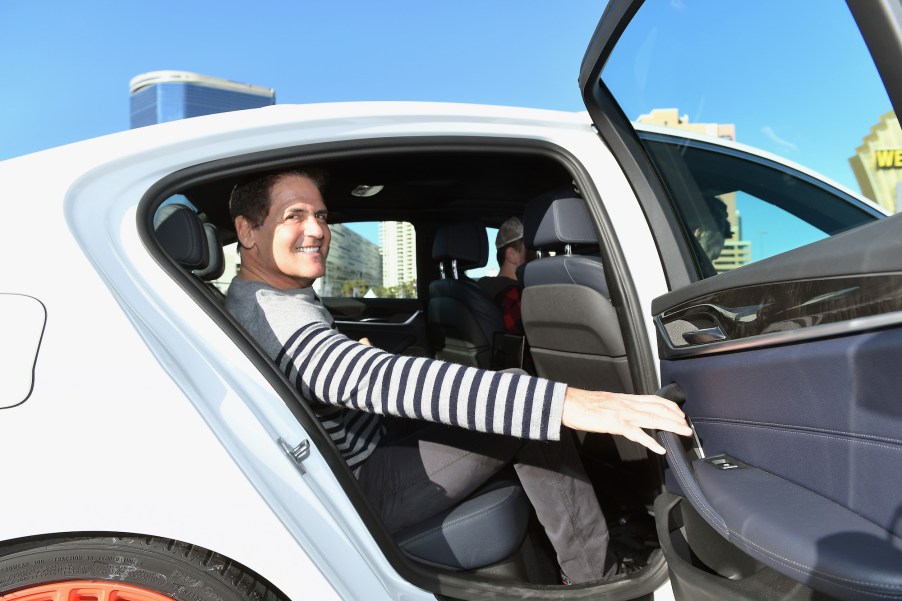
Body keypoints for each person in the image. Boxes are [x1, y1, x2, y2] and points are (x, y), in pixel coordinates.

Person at [225, 168, 692, 584]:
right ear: (247, 231)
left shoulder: (269, 296)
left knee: (519, 403)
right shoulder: (271, 314)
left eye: (322, 216)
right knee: (528, 417)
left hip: (366, 450)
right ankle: (598, 581)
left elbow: (334, 365)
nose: (317, 230)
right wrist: (568, 402)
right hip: (362, 483)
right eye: (294, 215)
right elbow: (368, 378)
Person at [478, 216, 528, 333]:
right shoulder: (516, 295)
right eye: (532, 248)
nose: (543, 255)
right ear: (512, 255)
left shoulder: (481, 286)